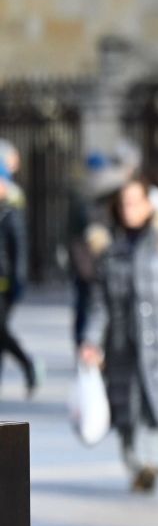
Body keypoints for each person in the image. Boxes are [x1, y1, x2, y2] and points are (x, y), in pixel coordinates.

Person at [79, 173, 158, 492]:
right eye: (124, 204)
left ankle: (152, 463)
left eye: (135, 202)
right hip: (122, 344)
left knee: (157, 407)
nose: (129, 209)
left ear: (149, 204)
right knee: (127, 411)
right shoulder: (108, 248)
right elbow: (99, 304)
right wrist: (91, 342)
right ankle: (136, 464)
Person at [0, 139, 37, 398]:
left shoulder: (11, 212)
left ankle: (27, 363)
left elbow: (20, 250)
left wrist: (18, 282)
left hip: (4, 286)